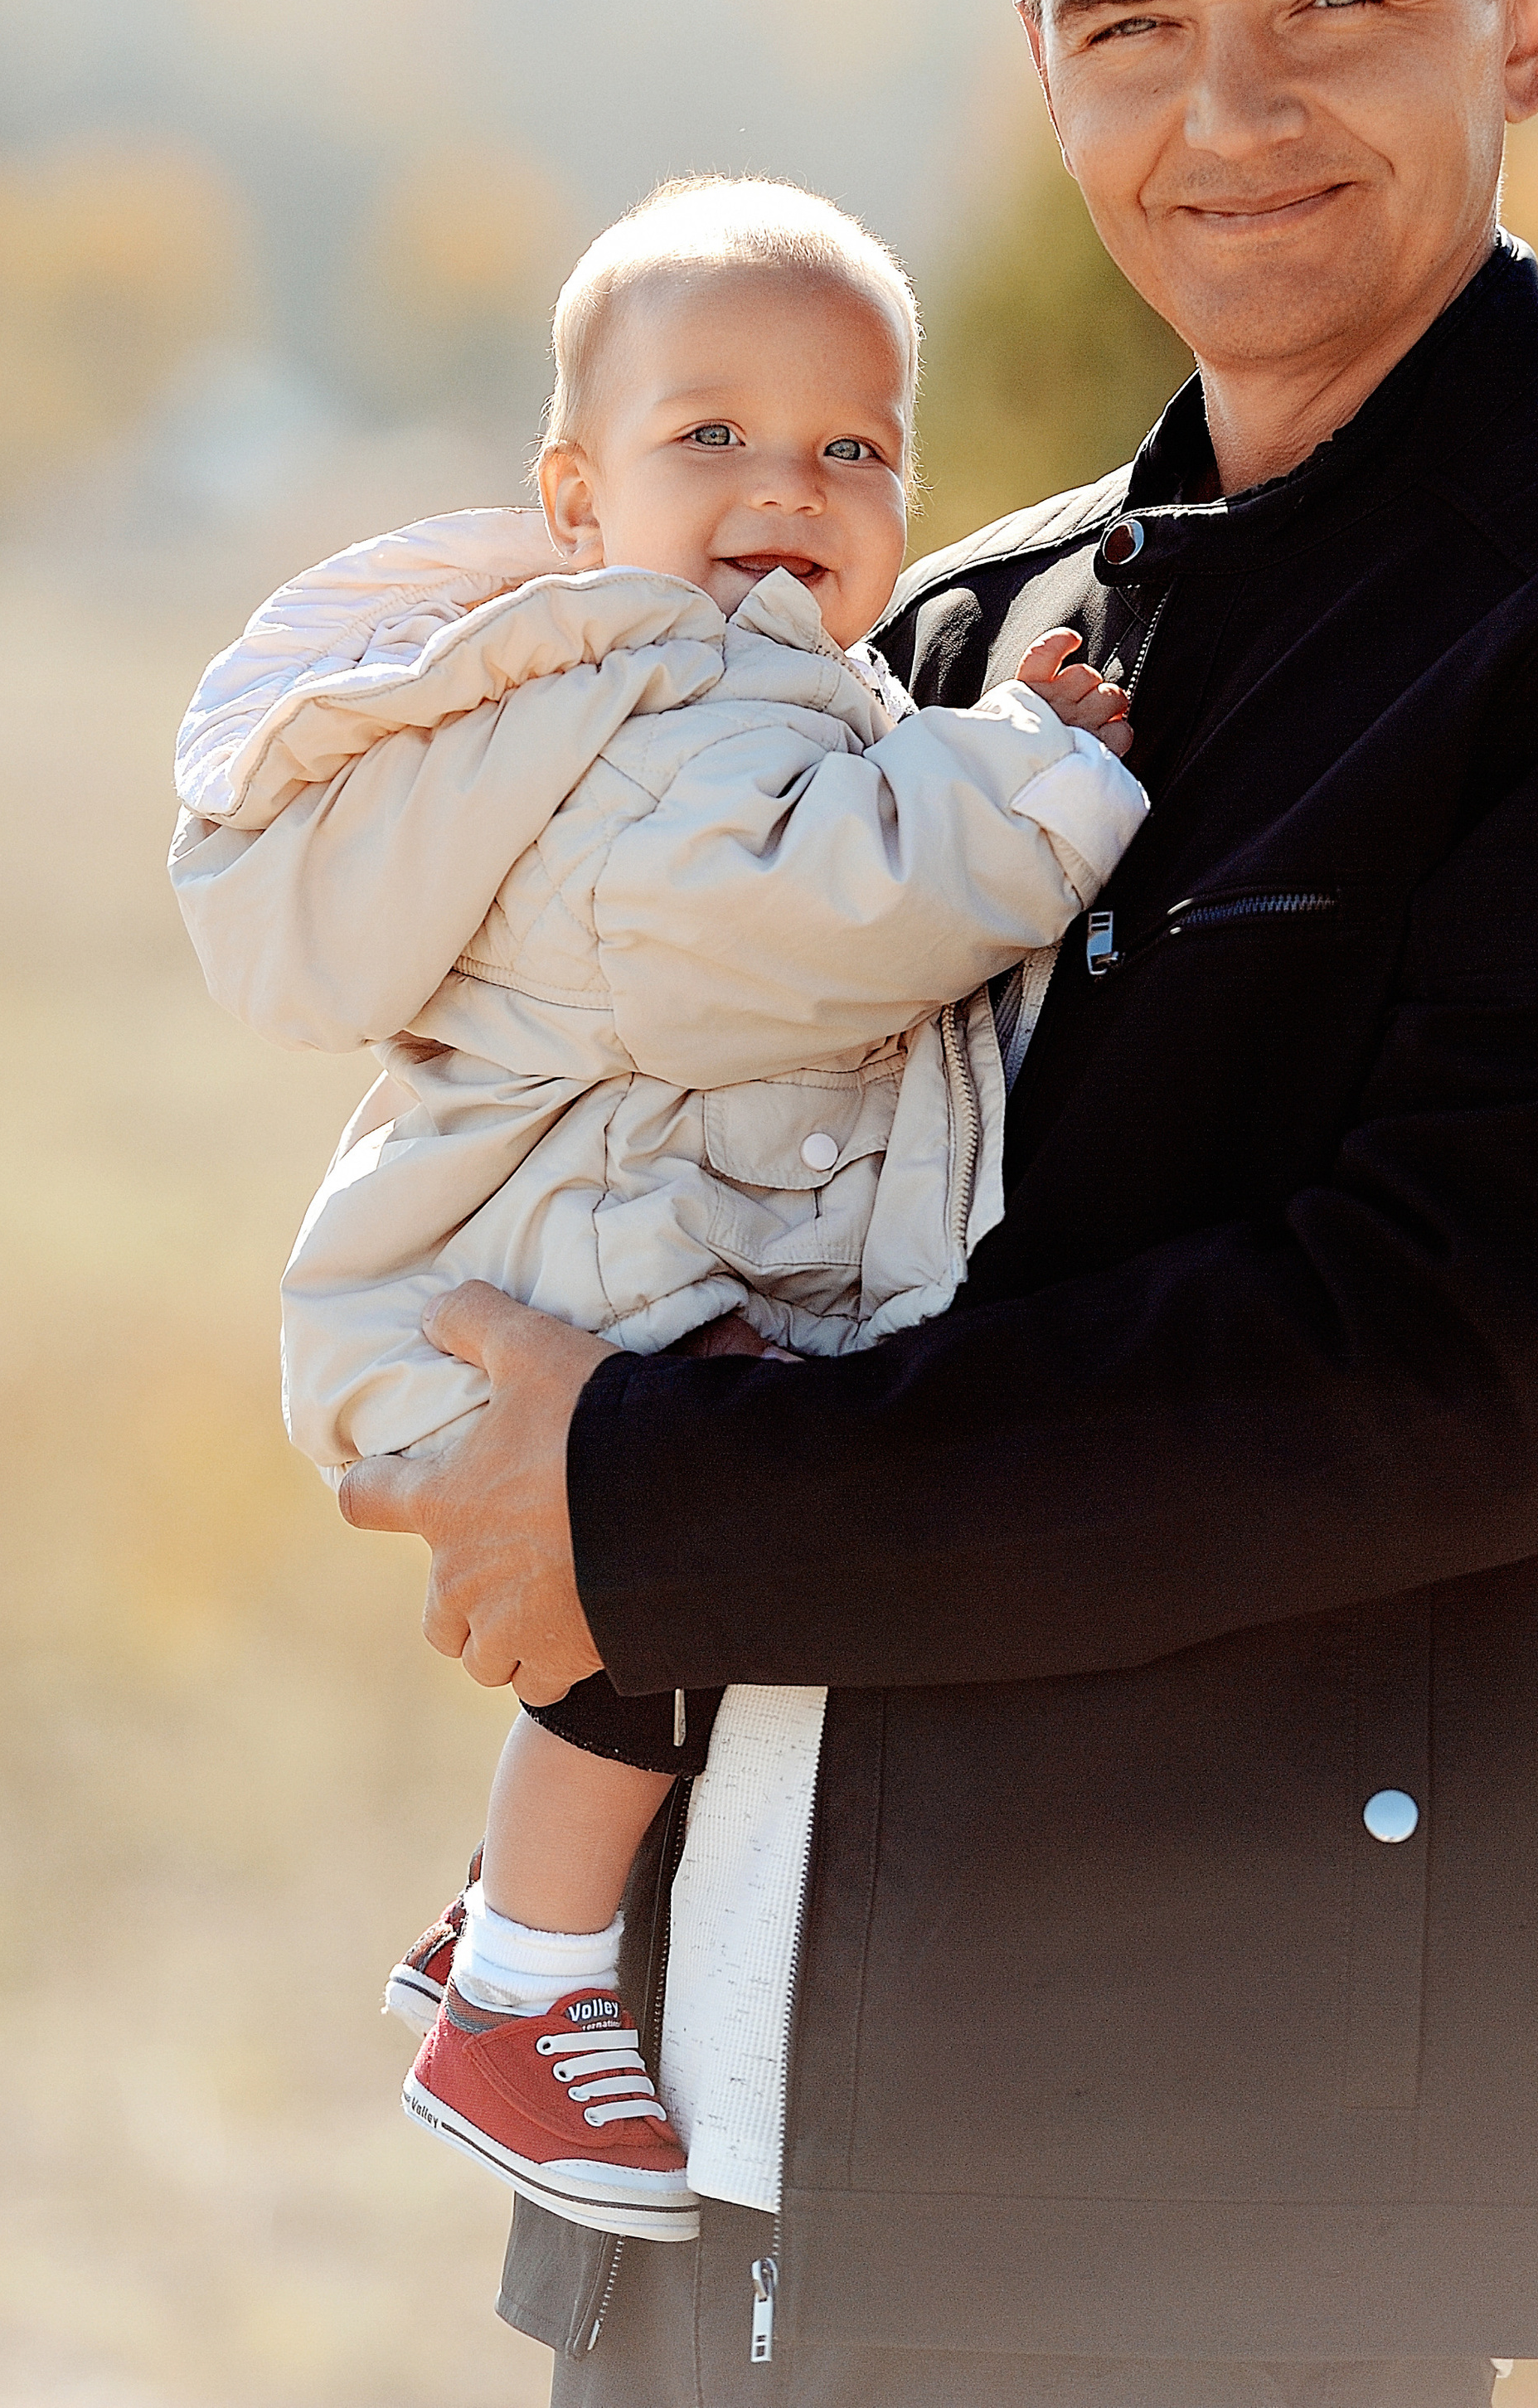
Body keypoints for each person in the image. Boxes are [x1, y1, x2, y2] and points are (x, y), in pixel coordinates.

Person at [337, 0, 1538, 2408]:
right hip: (707, 2150)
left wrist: (644, 1491)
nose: (1226, 113)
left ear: (1522, 9)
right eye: (1127, 18)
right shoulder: (944, 623)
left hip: (1224, 2197)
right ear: (1042, 52)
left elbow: (1456, 1371)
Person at [168, 177, 1146, 2243]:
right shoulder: (640, 697)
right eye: (711, 434)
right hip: (514, 1309)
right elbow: (786, 932)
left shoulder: (748, 680)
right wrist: (1034, 779)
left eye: (850, 446)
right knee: (703, 1486)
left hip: (577, 1247)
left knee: (730, 1495)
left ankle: (508, 1919)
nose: (787, 483)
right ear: (573, 492)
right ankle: (521, 1987)